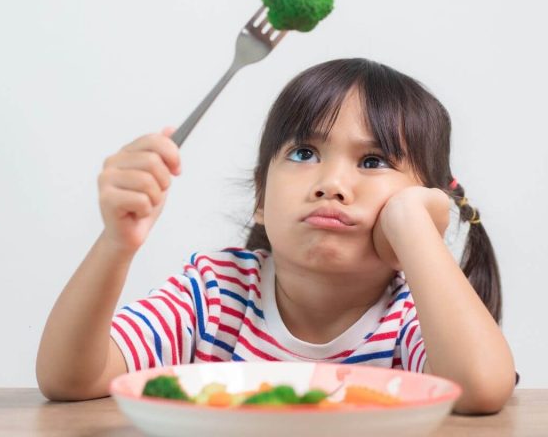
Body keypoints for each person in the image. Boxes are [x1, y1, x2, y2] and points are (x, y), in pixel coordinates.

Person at [36, 58, 516, 413]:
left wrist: (414, 227)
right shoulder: (215, 293)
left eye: (373, 162)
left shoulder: (413, 315)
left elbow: (480, 388)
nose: (331, 183)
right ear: (261, 198)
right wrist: (116, 245)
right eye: (305, 153)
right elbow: (70, 378)